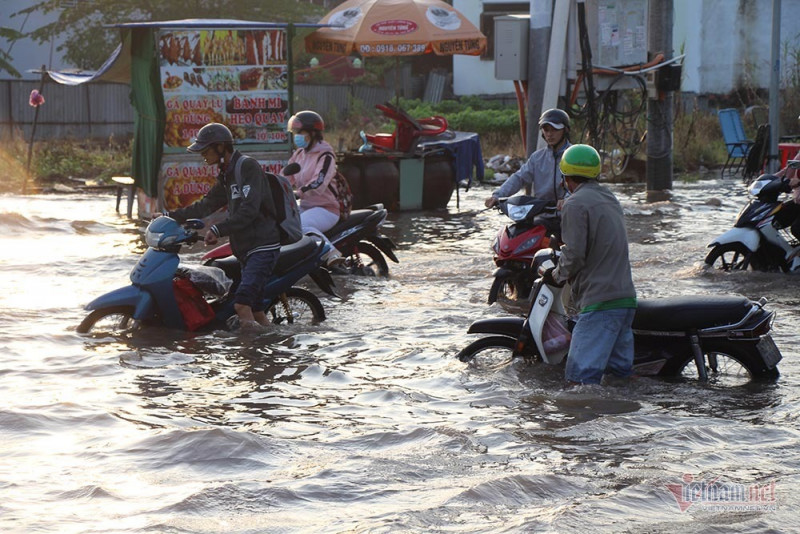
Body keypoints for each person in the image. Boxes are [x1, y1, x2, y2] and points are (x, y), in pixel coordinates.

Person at [158, 122, 280, 331]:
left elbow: (250, 210)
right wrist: (170, 216)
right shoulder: (226, 174)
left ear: (221, 147)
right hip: (245, 249)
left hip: (262, 246)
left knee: (241, 305)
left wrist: (218, 229)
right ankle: (273, 345)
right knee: (256, 310)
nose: (203, 155)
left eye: (206, 150)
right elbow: (206, 205)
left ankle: (252, 358)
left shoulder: (247, 167)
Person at [542, 144, 637, 385]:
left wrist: (556, 275)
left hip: (600, 303)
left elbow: (574, 255)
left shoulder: (575, 204)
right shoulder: (609, 197)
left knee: (579, 381)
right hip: (625, 300)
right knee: (618, 379)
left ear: (565, 177)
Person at [283, 110, 344, 266]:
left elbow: (319, 182)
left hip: (326, 209)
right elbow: (285, 177)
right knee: (283, 224)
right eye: (295, 132)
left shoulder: (326, 156)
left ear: (312, 133)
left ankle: (331, 253)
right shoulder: (299, 155)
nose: (297, 136)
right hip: (306, 206)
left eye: (300, 132)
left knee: (301, 225)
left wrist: (300, 191)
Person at [484, 108, 572, 210]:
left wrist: (568, 199)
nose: (549, 134)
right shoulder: (537, 157)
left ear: (565, 130)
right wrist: (497, 196)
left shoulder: (575, 155)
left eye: (555, 129)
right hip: (541, 211)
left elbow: (581, 186)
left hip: (568, 211)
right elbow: (519, 178)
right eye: (546, 130)